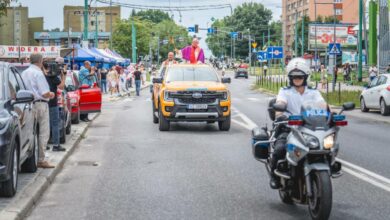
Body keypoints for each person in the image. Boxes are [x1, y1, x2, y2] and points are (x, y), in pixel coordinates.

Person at [269, 58, 326, 189]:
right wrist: (280, 114)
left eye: (300, 76)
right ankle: (274, 175)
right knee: (280, 148)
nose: (297, 79)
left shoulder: (313, 92)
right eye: (294, 76)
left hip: (309, 127)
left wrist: (330, 113)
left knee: (325, 146)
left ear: (305, 77)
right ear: (290, 77)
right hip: (288, 127)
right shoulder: (285, 91)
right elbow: (281, 103)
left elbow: (323, 105)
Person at [22, 53, 56, 168]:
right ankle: (41, 159)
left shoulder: (24, 73)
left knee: (30, 132)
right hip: (40, 104)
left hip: (27, 105)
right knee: (43, 133)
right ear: (40, 61)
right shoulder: (38, 73)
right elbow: (44, 92)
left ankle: (31, 157)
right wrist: (51, 94)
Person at [44, 57, 66, 152]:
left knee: (44, 124)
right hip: (52, 102)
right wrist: (63, 75)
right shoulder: (52, 75)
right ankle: (56, 145)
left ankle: (45, 144)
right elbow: (61, 86)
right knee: (55, 124)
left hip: (43, 102)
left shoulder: (41, 75)